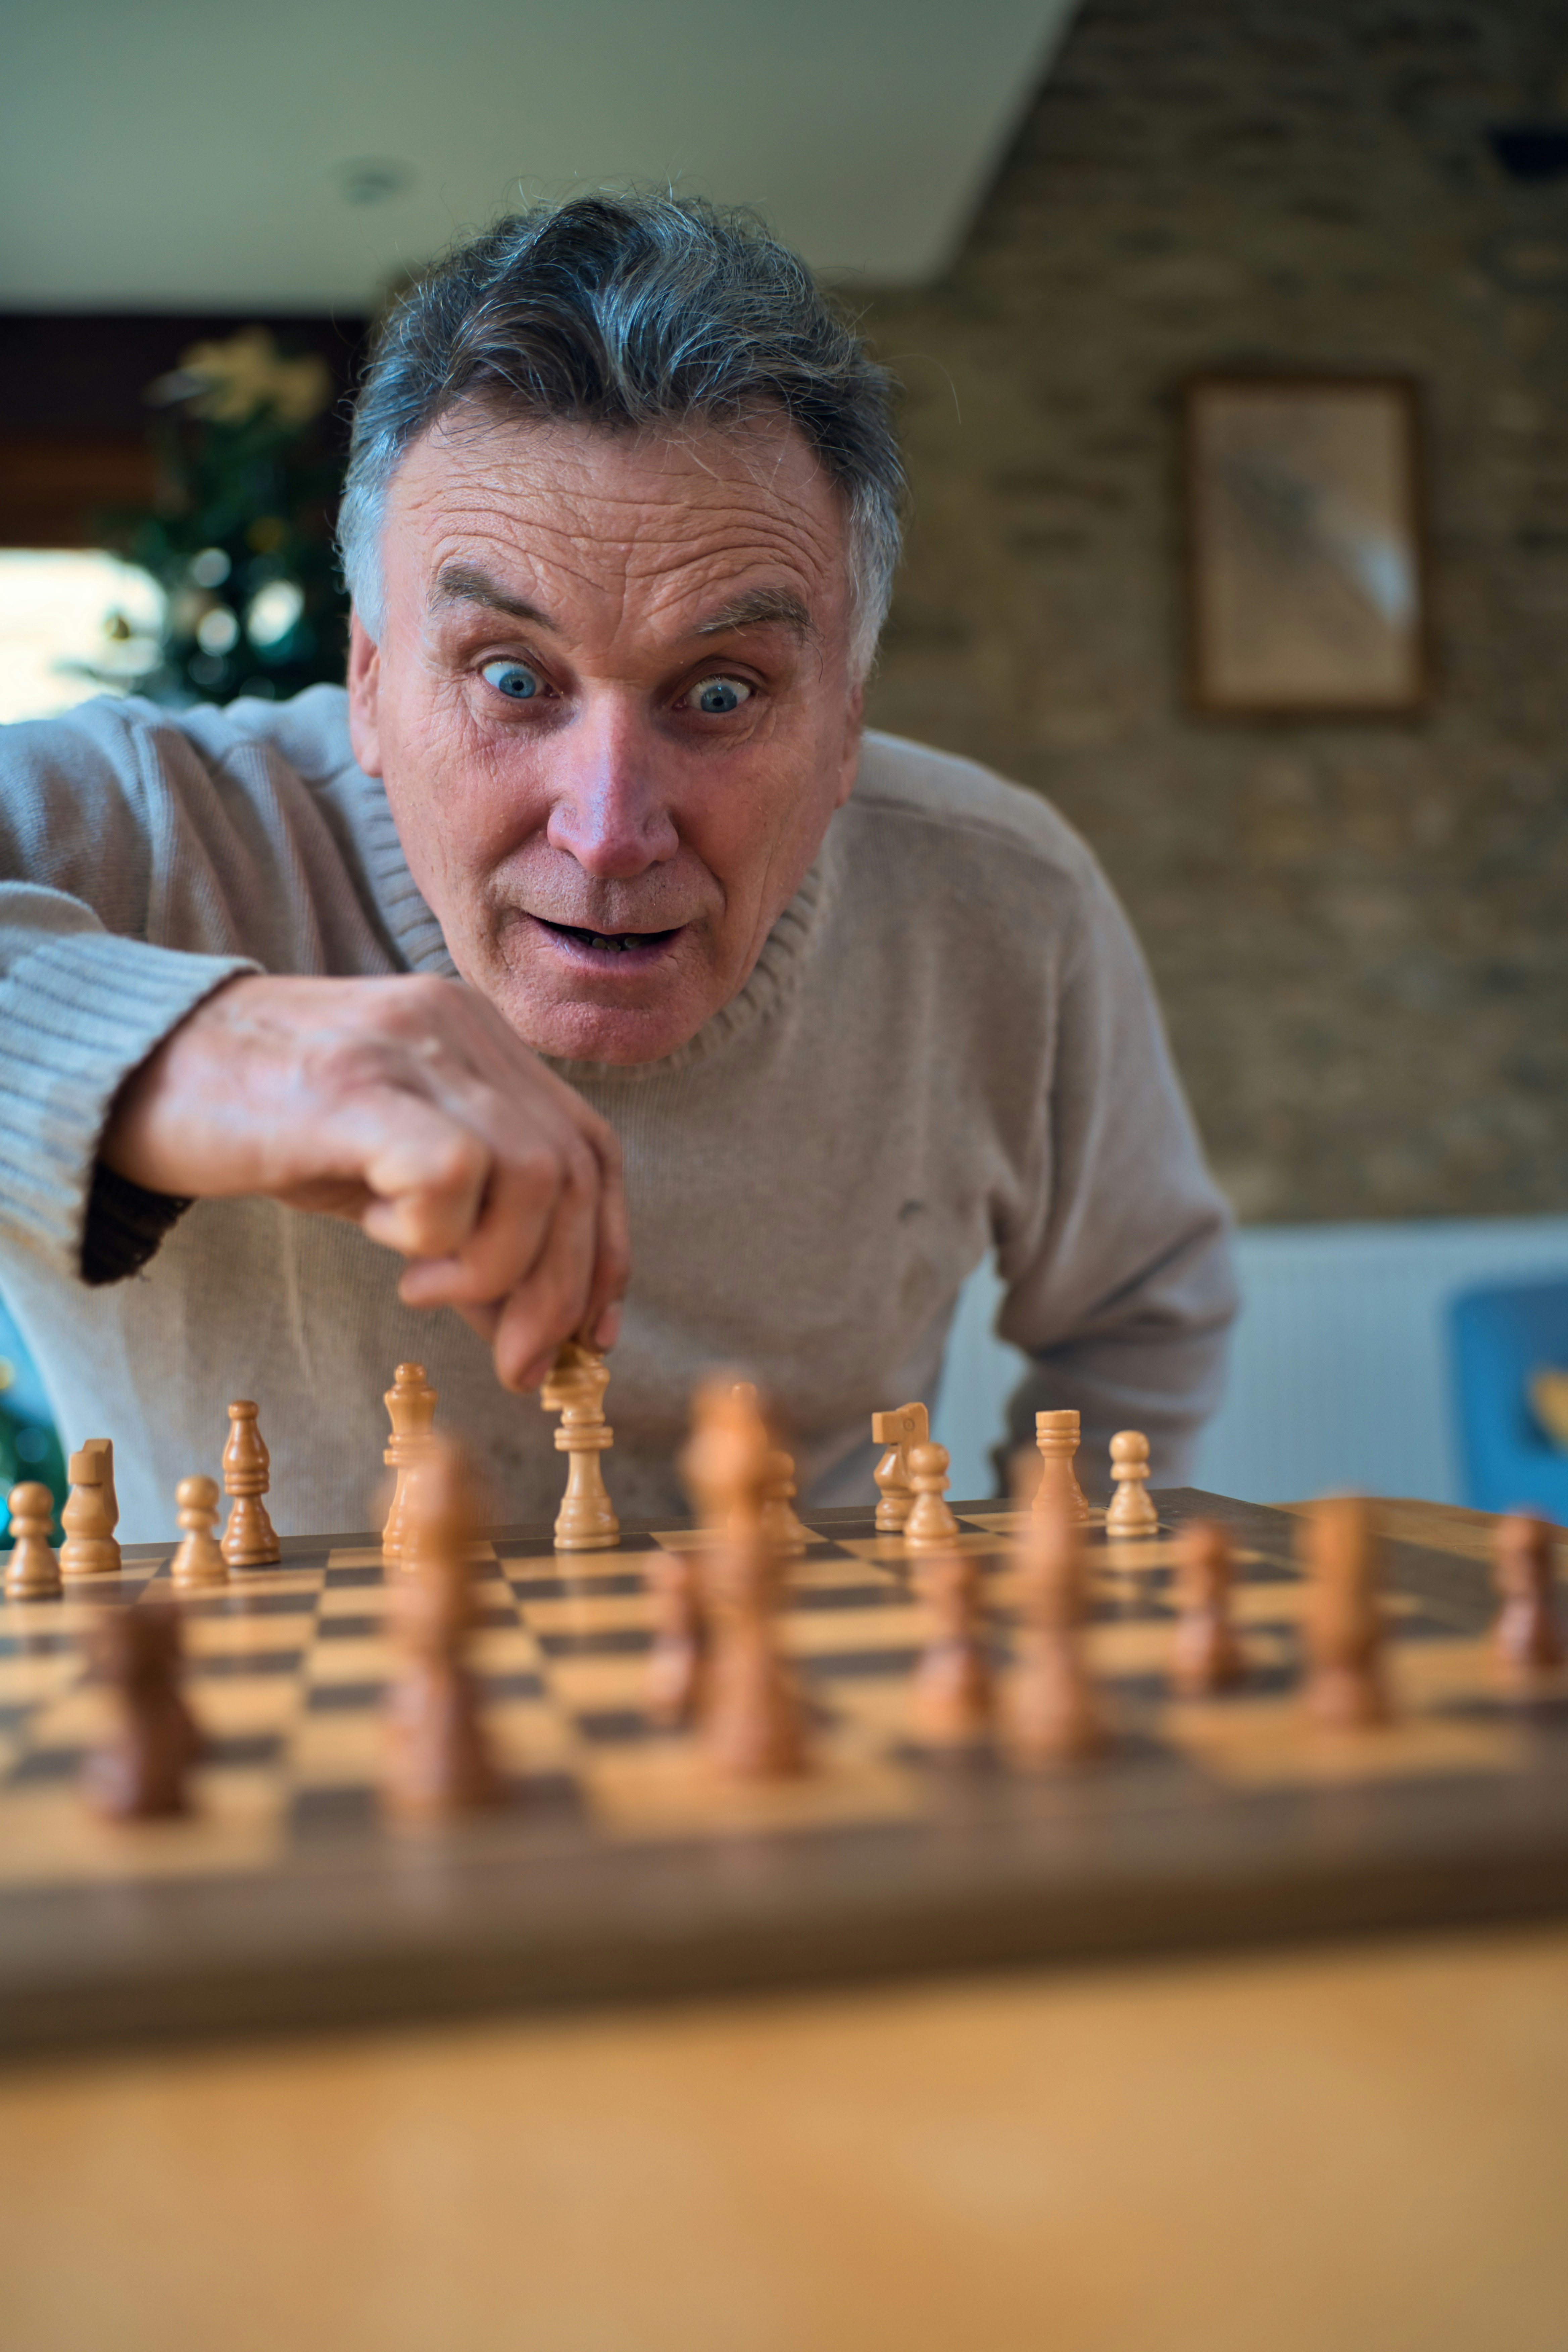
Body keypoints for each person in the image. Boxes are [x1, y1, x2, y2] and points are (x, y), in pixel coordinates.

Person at [0, 195, 1237, 1540]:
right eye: (513, 677)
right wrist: (194, 1052)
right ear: (366, 677)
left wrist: (1043, 1601)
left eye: (719, 694)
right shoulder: (138, 827)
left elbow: (1143, 1310)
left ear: (847, 723)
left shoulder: (1003, 899)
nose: (606, 831)